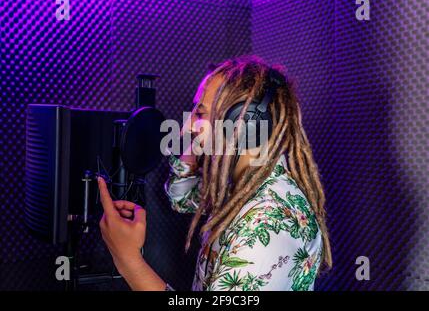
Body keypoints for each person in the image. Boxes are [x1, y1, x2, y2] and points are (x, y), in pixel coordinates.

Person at [98, 55, 332, 291]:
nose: (188, 125)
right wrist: (203, 136)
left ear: (244, 124)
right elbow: (181, 196)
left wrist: (128, 261)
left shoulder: (269, 225)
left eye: (200, 113)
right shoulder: (240, 183)